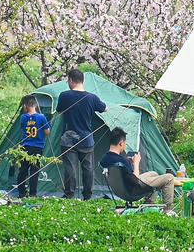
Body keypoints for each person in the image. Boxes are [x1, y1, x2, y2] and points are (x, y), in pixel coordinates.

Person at [54, 69, 107, 200]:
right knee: (88, 168)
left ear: (71, 80)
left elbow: (59, 111)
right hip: (87, 139)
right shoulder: (92, 97)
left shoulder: (64, 95)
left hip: (68, 139)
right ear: (82, 81)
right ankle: (88, 196)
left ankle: (69, 194)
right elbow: (105, 108)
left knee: (70, 168)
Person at [99, 128, 178, 213]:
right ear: (121, 143)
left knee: (153, 173)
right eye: (125, 143)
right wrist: (136, 163)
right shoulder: (121, 161)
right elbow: (136, 180)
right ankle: (167, 210)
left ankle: (149, 204)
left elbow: (127, 175)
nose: (125, 145)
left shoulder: (105, 158)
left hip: (120, 189)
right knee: (169, 178)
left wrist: (130, 164)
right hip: (132, 190)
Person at [14, 95, 49, 198]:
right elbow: (47, 132)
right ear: (36, 105)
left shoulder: (23, 117)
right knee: (34, 171)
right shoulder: (42, 117)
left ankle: (21, 192)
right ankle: (33, 193)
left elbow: (22, 128)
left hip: (25, 147)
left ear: (25, 106)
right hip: (37, 147)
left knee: (23, 170)